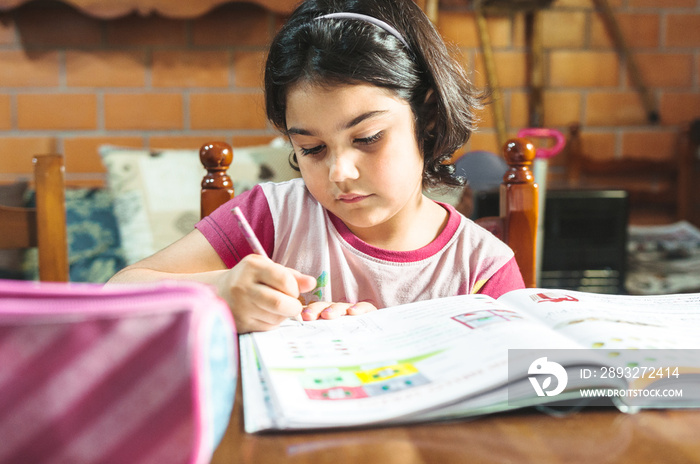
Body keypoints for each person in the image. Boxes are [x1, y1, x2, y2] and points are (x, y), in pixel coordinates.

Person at [107, 0, 525, 333]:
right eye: (312, 148)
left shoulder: (481, 267)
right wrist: (219, 290)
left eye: (367, 139)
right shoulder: (273, 218)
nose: (339, 172)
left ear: (427, 119)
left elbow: (521, 386)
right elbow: (116, 295)